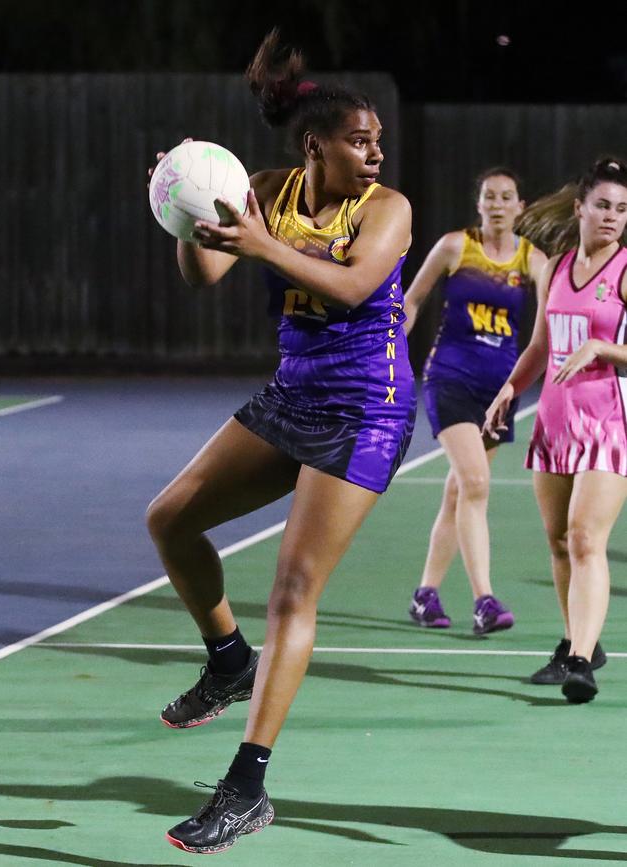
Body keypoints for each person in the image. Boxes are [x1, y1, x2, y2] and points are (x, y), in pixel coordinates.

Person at [146, 29, 415, 855]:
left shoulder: (390, 211)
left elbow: (350, 284)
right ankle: (227, 660)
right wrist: (187, 206)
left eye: (376, 141)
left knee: (294, 590)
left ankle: (247, 785)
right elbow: (205, 275)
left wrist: (261, 241)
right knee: (170, 520)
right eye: (358, 141)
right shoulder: (266, 189)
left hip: (367, 409)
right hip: (294, 395)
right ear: (315, 147)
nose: (374, 153)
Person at [484, 157, 627, 703]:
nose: (612, 217)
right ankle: (578, 641)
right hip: (555, 418)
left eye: (621, 209)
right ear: (580, 209)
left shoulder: (624, 270)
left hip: (609, 419)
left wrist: (602, 348)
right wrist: (508, 389)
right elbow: (542, 347)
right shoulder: (555, 268)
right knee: (560, 542)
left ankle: (581, 665)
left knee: (588, 537)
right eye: (603, 206)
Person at [403, 169, 547, 633]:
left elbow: (551, 324)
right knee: (476, 482)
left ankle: (426, 595)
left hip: (498, 393)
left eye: (507, 197)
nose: (498, 203)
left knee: (457, 492)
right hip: (449, 379)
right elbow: (411, 302)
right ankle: (485, 600)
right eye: (490, 196)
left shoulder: (533, 261)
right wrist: (385, 352)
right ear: (479, 204)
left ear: (520, 206)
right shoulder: (454, 247)